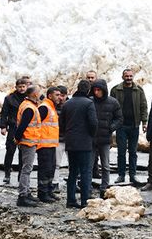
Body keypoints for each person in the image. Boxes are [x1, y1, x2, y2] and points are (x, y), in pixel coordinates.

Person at [60, 80, 97, 208]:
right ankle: (84, 201)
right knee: (85, 172)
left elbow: (62, 124)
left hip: (71, 142)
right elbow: (93, 123)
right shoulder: (89, 103)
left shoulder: (67, 104)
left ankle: (70, 200)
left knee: (73, 171)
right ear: (88, 90)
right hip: (85, 142)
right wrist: (91, 135)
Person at [110, 69, 147, 185]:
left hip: (134, 125)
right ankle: (121, 175)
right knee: (121, 151)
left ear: (133, 76)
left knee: (133, 151)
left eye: (131, 76)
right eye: (126, 76)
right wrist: (112, 123)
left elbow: (143, 106)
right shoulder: (115, 90)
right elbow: (110, 107)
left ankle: (133, 175)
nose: (129, 78)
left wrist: (144, 121)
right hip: (121, 125)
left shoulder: (139, 90)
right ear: (122, 77)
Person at [91, 79, 123, 198]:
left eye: (98, 90)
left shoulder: (113, 102)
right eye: (94, 90)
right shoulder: (90, 101)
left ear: (103, 90)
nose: (96, 92)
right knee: (90, 165)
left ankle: (104, 187)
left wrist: (111, 127)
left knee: (105, 165)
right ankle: (88, 187)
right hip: (92, 138)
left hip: (105, 138)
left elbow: (119, 118)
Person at [14, 85, 42, 207]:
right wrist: (17, 138)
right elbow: (22, 126)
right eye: (38, 92)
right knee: (26, 169)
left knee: (27, 168)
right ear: (35, 94)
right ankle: (23, 195)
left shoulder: (26, 104)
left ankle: (27, 192)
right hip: (28, 141)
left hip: (28, 141)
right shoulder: (30, 108)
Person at [0, 78, 28, 183]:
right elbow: (4, 113)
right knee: (10, 151)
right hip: (13, 128)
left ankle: (21, 175)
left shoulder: (29, 98)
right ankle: (7, 173)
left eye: (23, 86)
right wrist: (3, 126)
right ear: (16, 87)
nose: (21, 89)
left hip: (26, 128)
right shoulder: (9, 98)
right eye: (19, 87)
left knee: (23, 153)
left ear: (26, 87)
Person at [36, 87, 62, 203]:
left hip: (51, 144)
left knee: (50, 169)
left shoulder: (51, 107)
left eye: (60, 95)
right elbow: (36, 124)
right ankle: (42, 193)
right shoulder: (44, 107)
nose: (59, 97)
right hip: (44, 145)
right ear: (50, 96)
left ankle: (48, 190)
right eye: (57, 95)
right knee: (44, 170)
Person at [53, 85, 69, 193]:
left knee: (73, 163)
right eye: (59, 95)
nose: (61, 98)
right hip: (57, 138)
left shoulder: (70, 105)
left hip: (69, 139)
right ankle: (55, 183)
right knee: (56, 163)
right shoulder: (52, 106)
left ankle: (73, 182)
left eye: (63, 96)